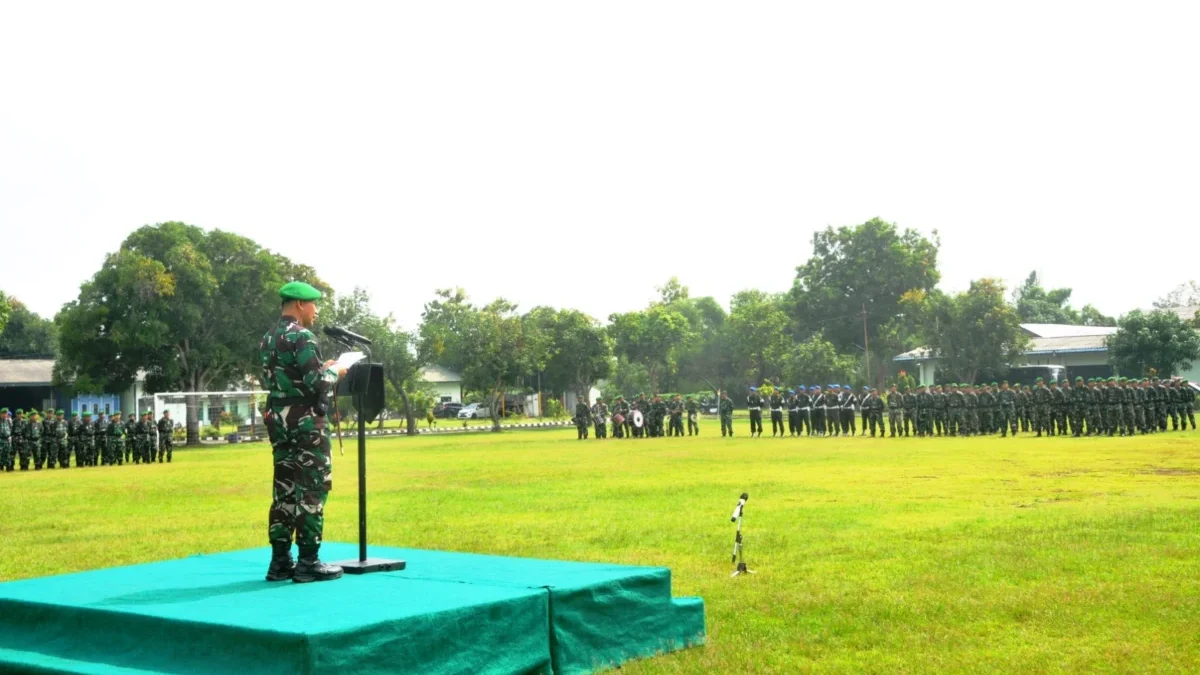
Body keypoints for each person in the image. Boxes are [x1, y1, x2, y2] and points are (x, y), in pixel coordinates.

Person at [259, 281, 349, 584]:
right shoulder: (302, 336)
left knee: (283, 490)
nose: (316, 310)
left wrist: (320, 368)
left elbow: (288, 379)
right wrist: (336, 371)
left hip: (279, 421)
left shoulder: (268, 338)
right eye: (313, 304)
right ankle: (308, 562)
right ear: (299, 305)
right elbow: (317, 384)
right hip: (306, 424)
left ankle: (280, 561)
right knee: (310, 489)